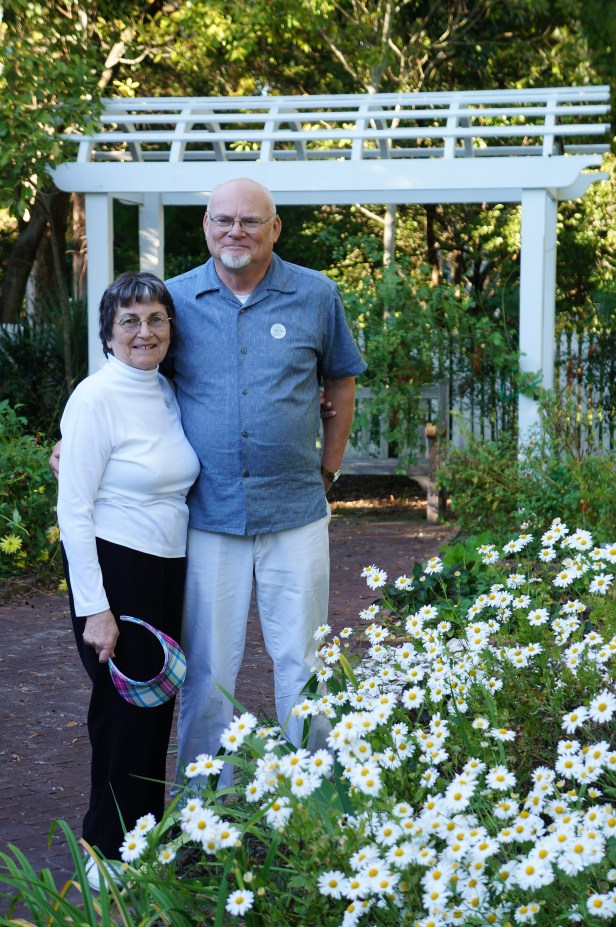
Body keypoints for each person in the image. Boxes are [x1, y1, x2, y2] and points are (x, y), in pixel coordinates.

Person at [164, 178, 367, 788]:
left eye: (250, 221)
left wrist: (328, 468)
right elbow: (133, 375)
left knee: (302, 660)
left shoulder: (315, 294)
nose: (236, 232)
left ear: (275, 227)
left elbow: (341, 383)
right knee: (207, 668)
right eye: (223, 220)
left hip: (296, 510)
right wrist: (77, 433)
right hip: (208, 515)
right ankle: (205, 804)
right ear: (205, 226)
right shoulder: (174, 300)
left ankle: (317, 797)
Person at [56, 272, 200, 881]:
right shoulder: (96, 396)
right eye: (129, 322)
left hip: (166, 568)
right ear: (108, 335)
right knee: (122, 719)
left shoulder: (164, 389)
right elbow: (74, 508)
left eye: (156, 319)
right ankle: (104, 858)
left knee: (152, 714)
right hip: (118, 570)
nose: (145, 332)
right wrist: (95, 608)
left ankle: (140, 849)